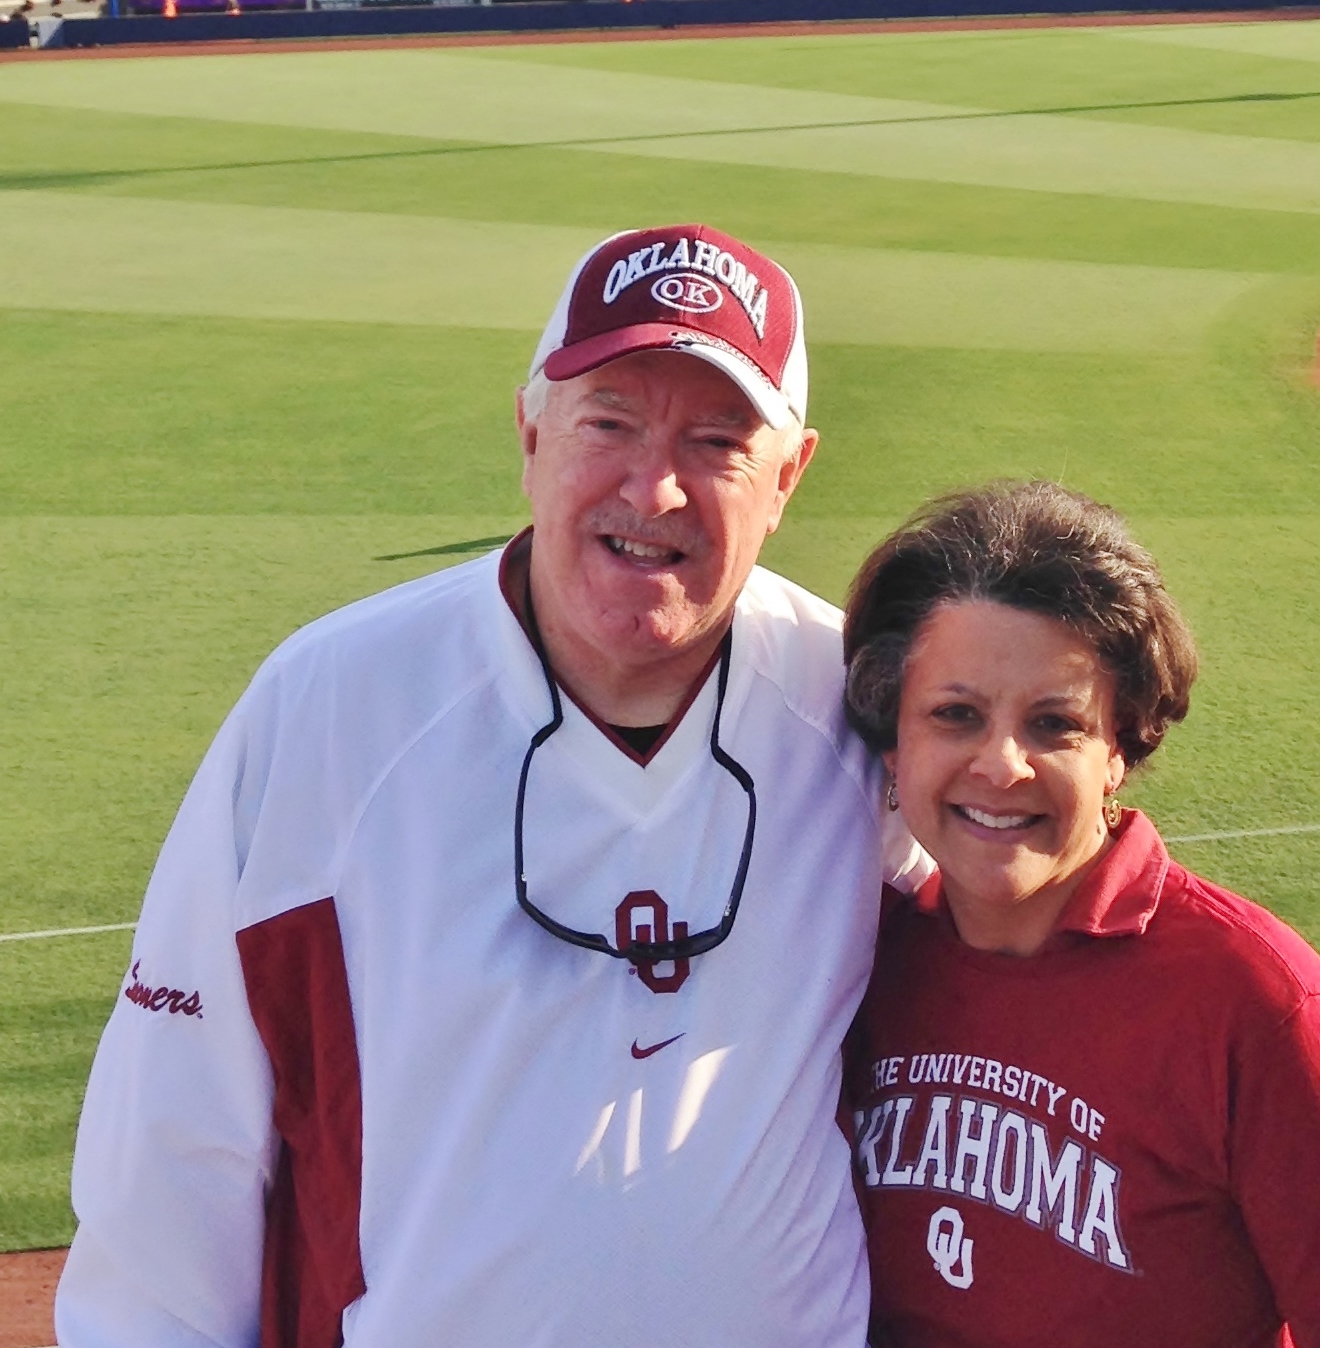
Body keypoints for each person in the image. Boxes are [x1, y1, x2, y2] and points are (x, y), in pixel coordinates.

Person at [56, 224, 929, 1348]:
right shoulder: (330, 706)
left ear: (789, 477)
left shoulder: (864, 713)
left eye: (717, 442)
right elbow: (171, 1152)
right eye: (607, 422)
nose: (651, 488)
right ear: (530, 434)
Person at [841, 482, 1320, 1348]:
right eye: (955, 715)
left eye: (1054, 725)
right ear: (892, 735)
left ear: (1120, 747)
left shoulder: (1265, 1012)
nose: (1001, 765)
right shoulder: (855, 955)